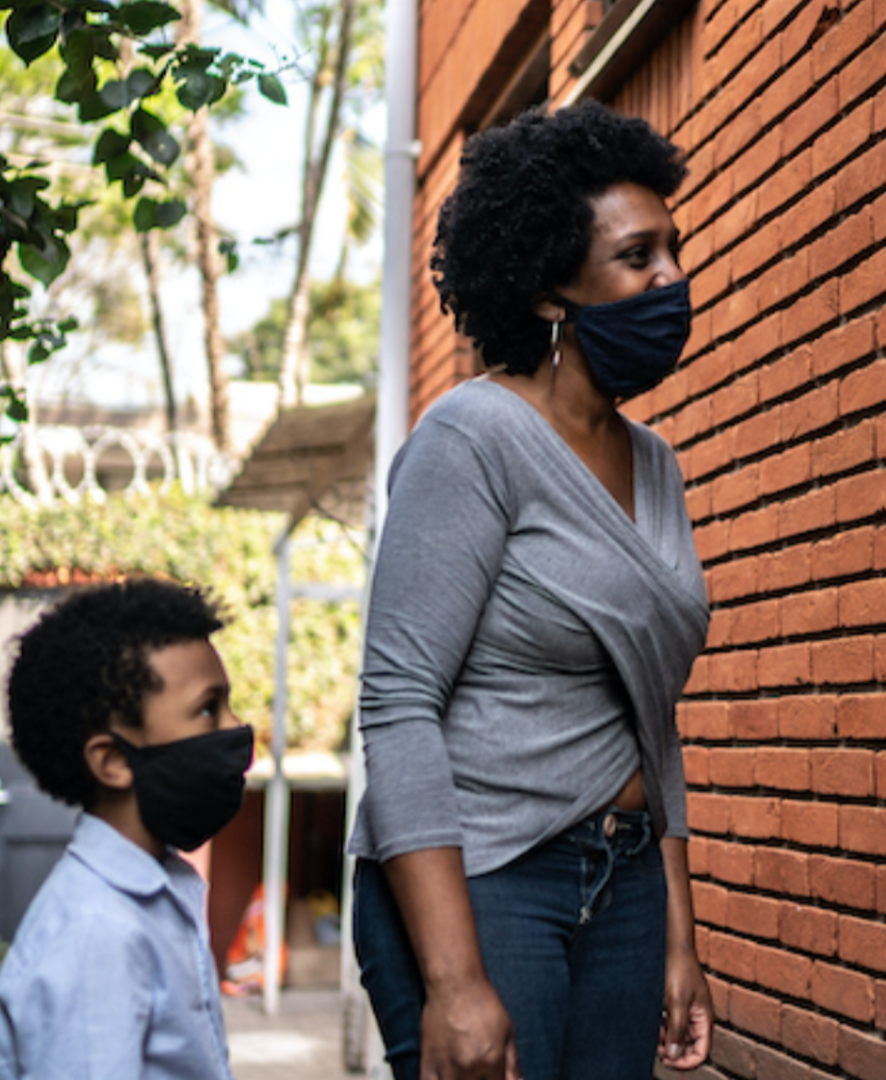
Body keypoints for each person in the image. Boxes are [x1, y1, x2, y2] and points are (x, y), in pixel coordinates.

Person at [349, 100, 713, 1080]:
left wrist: (681, 933)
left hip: (627, 881)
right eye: (639, 257)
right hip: (482, 879)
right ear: (553, 287)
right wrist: (456, 980)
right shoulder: (472, 440)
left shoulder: (656, 466)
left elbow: (652, 714)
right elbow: (397, 701)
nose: (671, 279)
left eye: (674, 251)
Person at [0, 579, 254, 1080]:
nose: (236, 726)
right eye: (207, 708)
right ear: (112, 761)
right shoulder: (96, 936)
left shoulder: (156, 894)